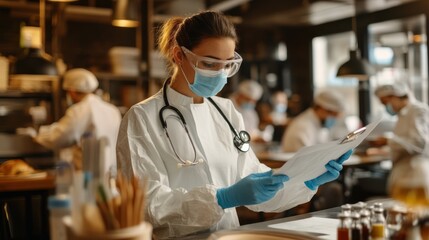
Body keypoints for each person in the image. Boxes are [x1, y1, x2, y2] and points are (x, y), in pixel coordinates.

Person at [116, 11, 352, 239]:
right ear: (179, 55)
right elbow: (146, 204)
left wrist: (305, 181)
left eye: (227, 64)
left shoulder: (227, 112)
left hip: (229, 235)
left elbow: (257, 186)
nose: (220, 74)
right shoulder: (142, 117)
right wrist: (221, 199)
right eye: (209, 64)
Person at [34, 68, 122, 172]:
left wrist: (37, 134)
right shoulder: (112, 110)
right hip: (112, 171)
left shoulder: (79, 110)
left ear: (72, 91)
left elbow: (60, 137)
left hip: (88, 176)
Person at [374, 83, 429, 163]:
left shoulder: (418, 111)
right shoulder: (402, 114)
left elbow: (419, 144)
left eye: (385, 103)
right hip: (403, 166)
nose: (386, 107)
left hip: (416, 167)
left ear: (396, 96)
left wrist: (388, 141)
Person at [280, 90, 346, 152]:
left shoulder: (317, 124)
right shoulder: (302, 126)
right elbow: (305, 158)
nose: (334, 119)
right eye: (334, 115)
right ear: (322, 108)